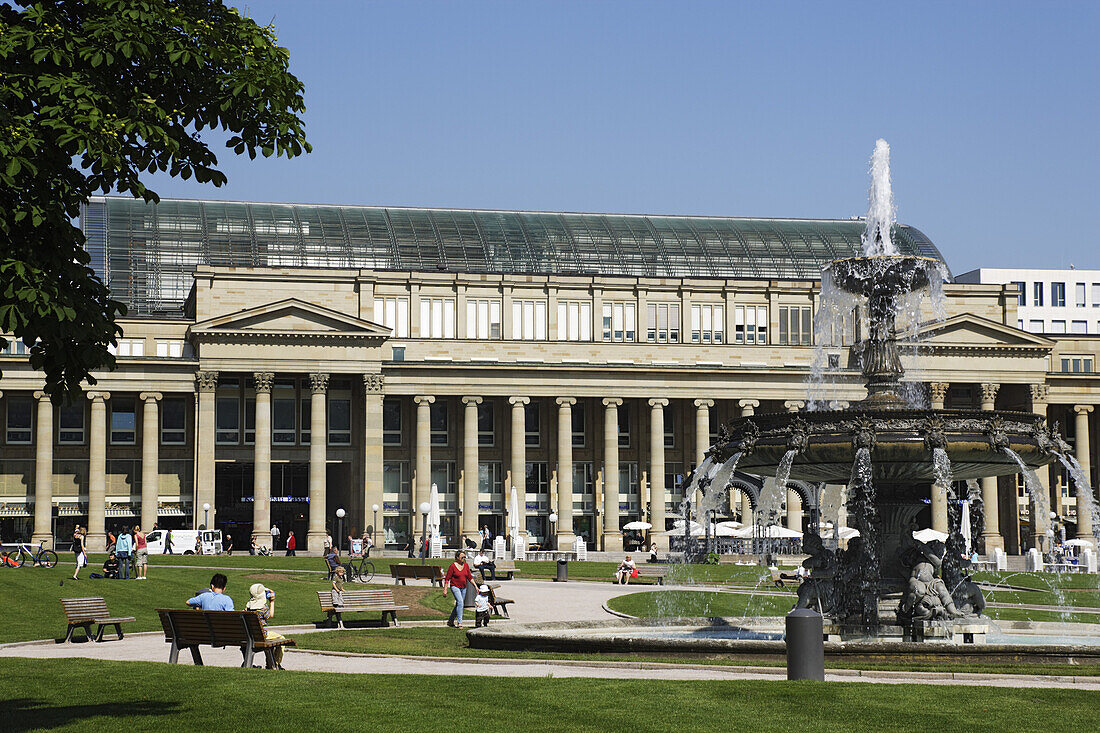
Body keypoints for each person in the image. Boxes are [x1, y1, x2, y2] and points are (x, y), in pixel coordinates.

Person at [245, 583, 288, 669]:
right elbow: (270, 615)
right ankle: (276, 663)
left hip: (250, 635)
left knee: (270, 641)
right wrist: (272, 602)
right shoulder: (263, 608)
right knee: (281, 639)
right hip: (263, 635)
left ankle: (270, 663)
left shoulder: (248, 608)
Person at [443, 550, 473, 628]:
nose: (464, 558)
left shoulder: (466, 565)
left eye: (464, 557)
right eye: (462, 557)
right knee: (460, 602)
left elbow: (470, 577)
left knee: (459, 605)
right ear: (457, 557)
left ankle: (450, 621)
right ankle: (459, 622)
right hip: (455, 586)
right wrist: (445, 589)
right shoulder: (452, 566)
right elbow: (447, 579)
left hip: (464, 587)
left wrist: (476, 586)